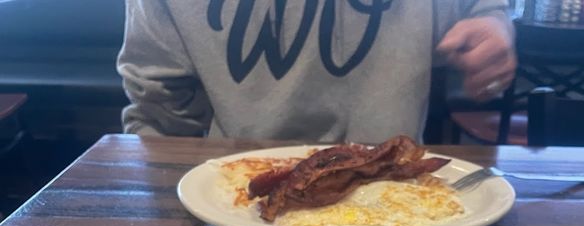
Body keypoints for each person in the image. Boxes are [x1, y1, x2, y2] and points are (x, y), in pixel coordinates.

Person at [117, 1, 516, 143]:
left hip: (400, 200)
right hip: (235, 195)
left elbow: (481, 9)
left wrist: (494, 28)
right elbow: (158, 103)